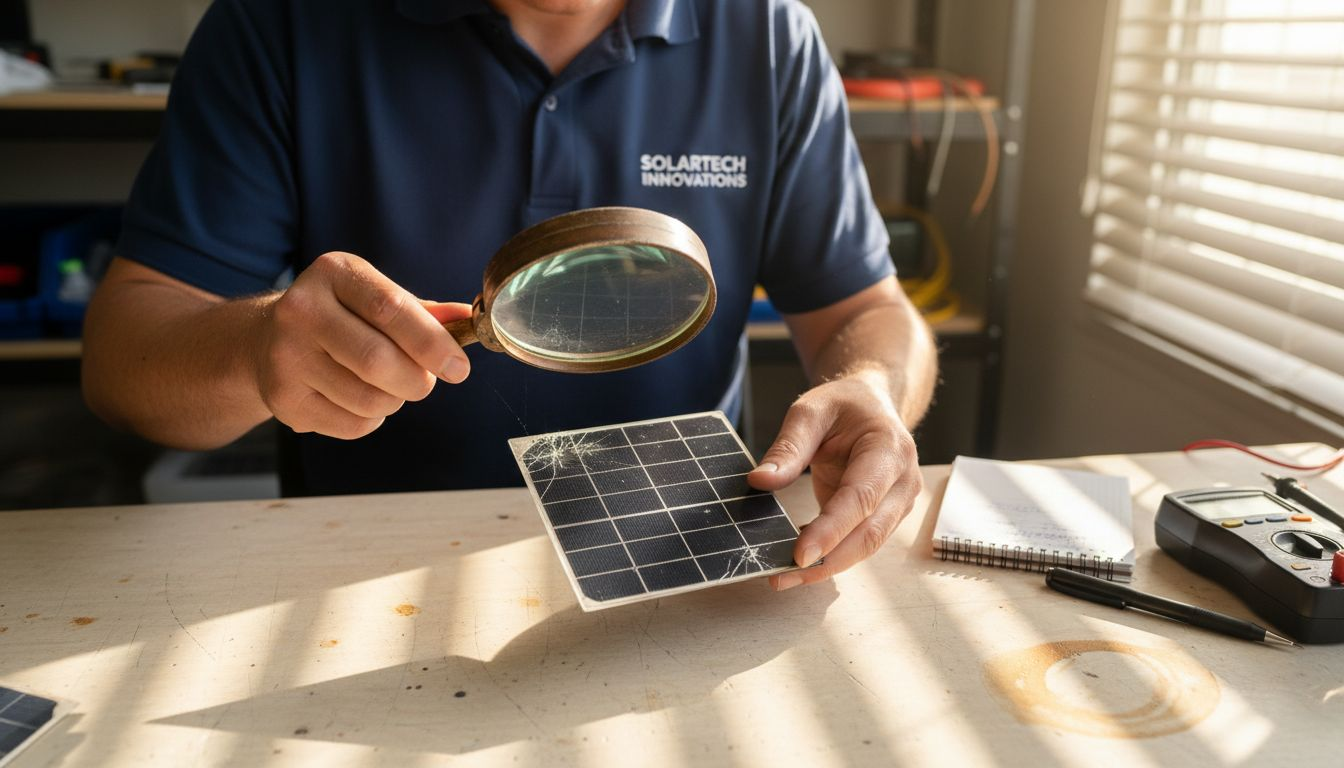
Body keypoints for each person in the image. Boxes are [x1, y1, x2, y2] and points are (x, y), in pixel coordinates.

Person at [82, 0, 938, 591]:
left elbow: (866, 309)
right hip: (357, 571)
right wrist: (255, 348)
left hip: (679, 565)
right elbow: (123, 367)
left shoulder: (769, 33)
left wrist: (873, 391)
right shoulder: (278, 24)